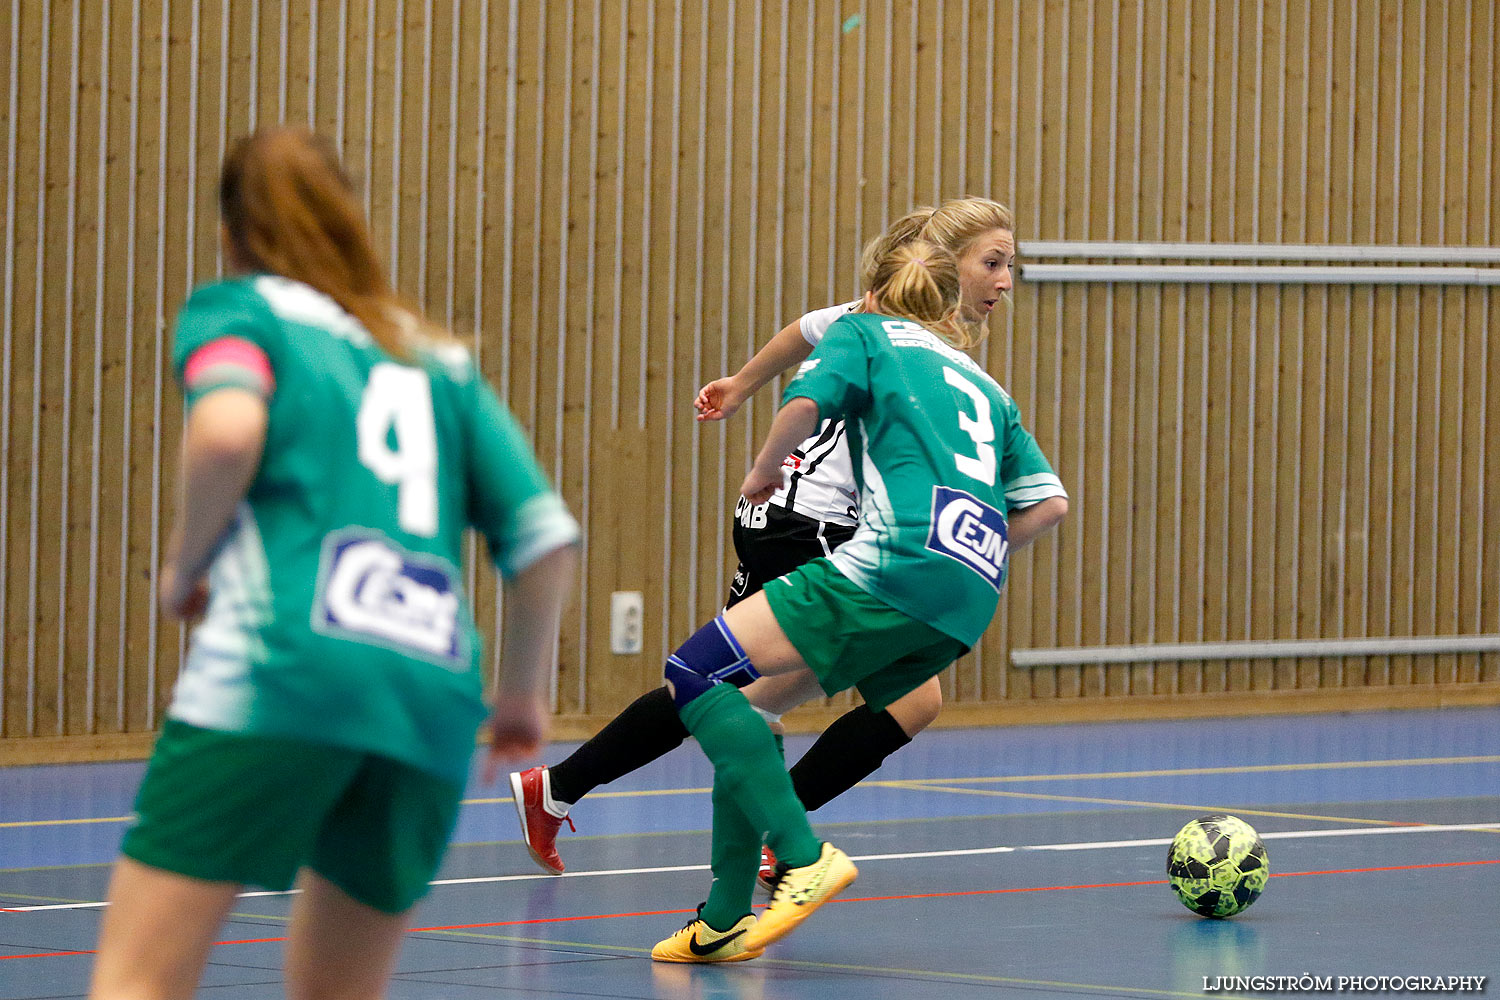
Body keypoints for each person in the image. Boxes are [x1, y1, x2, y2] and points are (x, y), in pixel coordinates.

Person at [86, 127, 580, 1000]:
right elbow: (544, 539)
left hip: (281, 671)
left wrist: (180, 566)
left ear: (233, 230)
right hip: (428, 695)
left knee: (137, 982)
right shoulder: (436, 357)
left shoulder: (240, 309)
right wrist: (522, 694)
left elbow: (228, 428)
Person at [510, 199, 1063, 882]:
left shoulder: (929, 344)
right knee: (795, 696)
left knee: (758, 694)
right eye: (993, 263)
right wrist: (744, 394)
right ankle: (780, 844)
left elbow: (801, 333)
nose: (1006, 280)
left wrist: (742, 385)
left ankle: (566, 787)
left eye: (1010, 265)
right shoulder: (879, 321)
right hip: (806, 521)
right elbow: (806, 338)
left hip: (831, 526)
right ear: (945, 264)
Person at [645, 238, 1068, 961]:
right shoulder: (984, 382)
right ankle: (720, 921)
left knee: (694, 673)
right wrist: (978, 553)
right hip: (970, 592)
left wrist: (761, 473)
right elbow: (1050, 504)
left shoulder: (860, 331)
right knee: (754, 706)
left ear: (870, 291)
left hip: (890, 565)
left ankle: (802, 856)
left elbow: (803, 403)